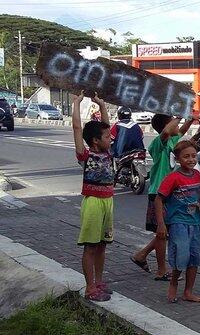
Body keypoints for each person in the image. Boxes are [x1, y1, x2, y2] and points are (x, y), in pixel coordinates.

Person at [131, 114, 194, 281]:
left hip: (172, 195)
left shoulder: (174, 141)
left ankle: (141, 255)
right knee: (162, 233)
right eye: (174, 124)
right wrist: (178, 116)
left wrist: (190, 120)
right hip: (159, 194)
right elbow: (167, 131)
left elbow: (180, 131)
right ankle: (161, 270)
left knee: (165, 232)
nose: (177, 127)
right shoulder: (158, 143)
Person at [72, 91, 115, 302]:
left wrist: (102, 104)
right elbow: (77, 129)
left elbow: (106, 126)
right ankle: (90, 288)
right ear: (95, 141)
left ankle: (99, 282)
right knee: (91, 246)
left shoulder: (107, 153)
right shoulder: (86, 155)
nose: (110, 138)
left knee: (102, 245)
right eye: (106, 137)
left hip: (108, 201)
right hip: (93, 203)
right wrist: (77, 104)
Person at [155, 140, 200, 303]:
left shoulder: (197, 175)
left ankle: (188, 291)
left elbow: (196, 194)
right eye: (186, 157)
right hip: (178, 223)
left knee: (194, 257)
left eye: (193, 156)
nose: (191, 160)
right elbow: (159, 199)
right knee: (180, 256)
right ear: (177, 159)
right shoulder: (173, 178)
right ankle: (174, 283)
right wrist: (161, 224)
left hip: (194, 222)